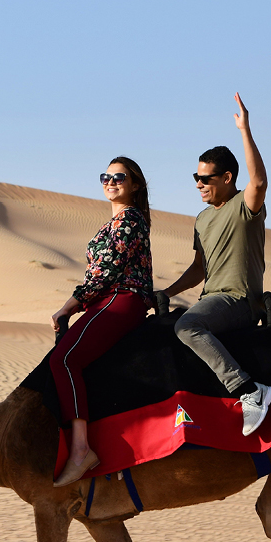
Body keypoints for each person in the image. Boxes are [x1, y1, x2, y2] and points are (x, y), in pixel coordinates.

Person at [161, 93, 271, 436]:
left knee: (187, 328)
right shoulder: (201, 219)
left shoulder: (244, 206)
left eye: (205, 178)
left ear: (226, 177)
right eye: (195, 177)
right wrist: (166, 292)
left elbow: (258, 182)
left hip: (238, 300)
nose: (198, 183)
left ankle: (249, 391)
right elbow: (199, 269)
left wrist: (245, 129)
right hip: (210, 298)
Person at [49, 157, 155, 486]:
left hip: (122, 298)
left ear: (135, 184)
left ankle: (81, 451)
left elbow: (106, 271)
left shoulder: (130, 220)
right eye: (105, 177)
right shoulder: (111, 223)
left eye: (119, 177)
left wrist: (68, 307)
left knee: (64, 360)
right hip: (104, 301)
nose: (110, 182)